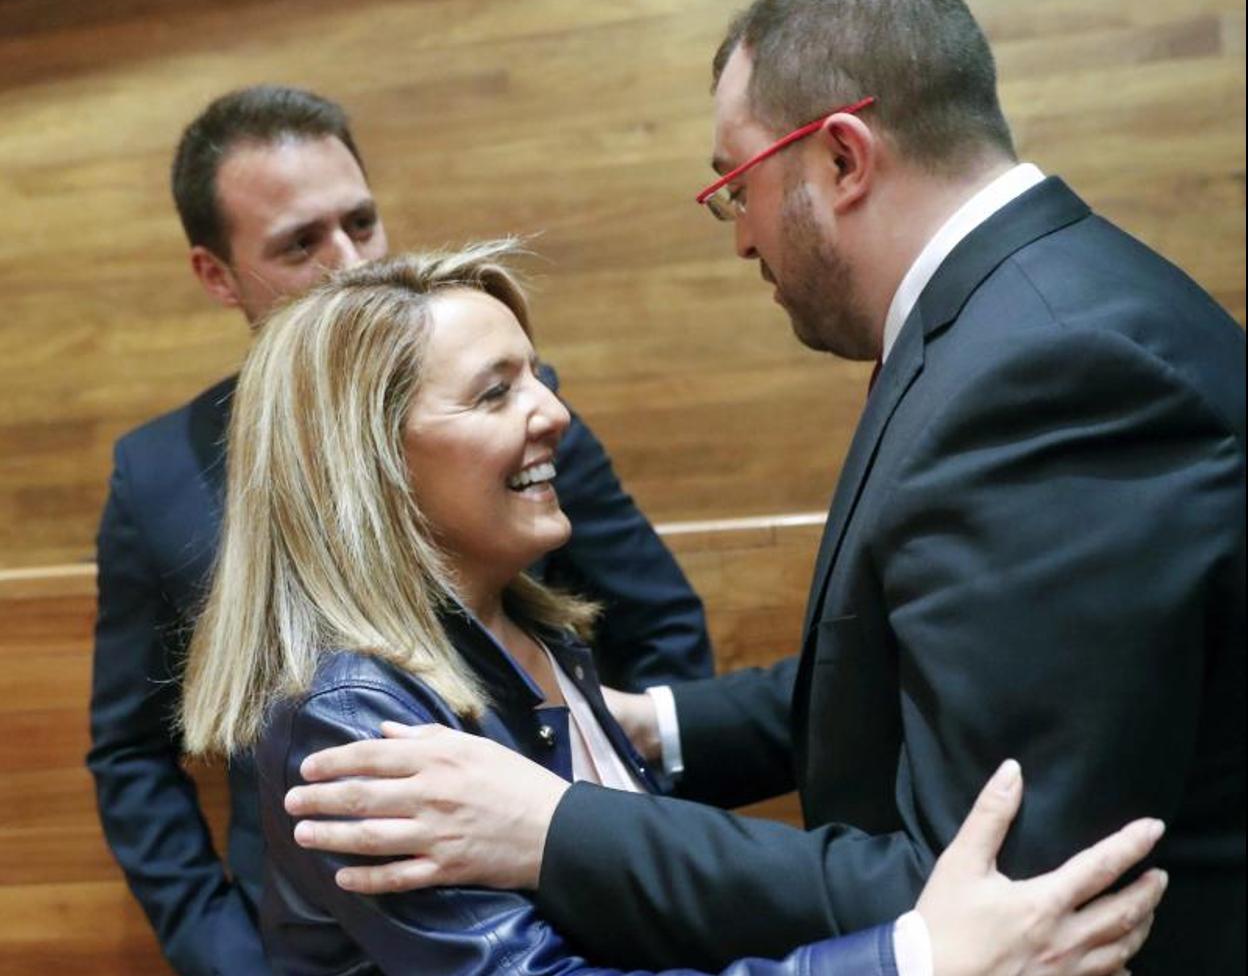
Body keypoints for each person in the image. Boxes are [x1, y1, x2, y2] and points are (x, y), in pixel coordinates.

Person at [281, 0, 1246, 974]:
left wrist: (554, 825)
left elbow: (999, 895)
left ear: (841, 155)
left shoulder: (1050, 369)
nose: (741, 231)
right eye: (492, 393)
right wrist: (654, 727)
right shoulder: (1034, 319)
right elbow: (934, 670)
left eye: (736, 185)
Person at [182, 243, 1165, 976]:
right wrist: (912, 959)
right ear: (373, 464)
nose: (554, 412)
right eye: (493, 393)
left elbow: (633, 894)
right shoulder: (349, 712)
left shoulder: (532, 625)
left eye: (539, 374)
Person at [85, 85, 712, 976]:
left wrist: (659, 861)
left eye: (362, 223)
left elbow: (658, 627)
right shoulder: (157, 477)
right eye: (301, 242)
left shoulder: (513, 411)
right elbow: (132, 750)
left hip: (562, 894)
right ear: (215, 273)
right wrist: (224, 955)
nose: (348, 261)